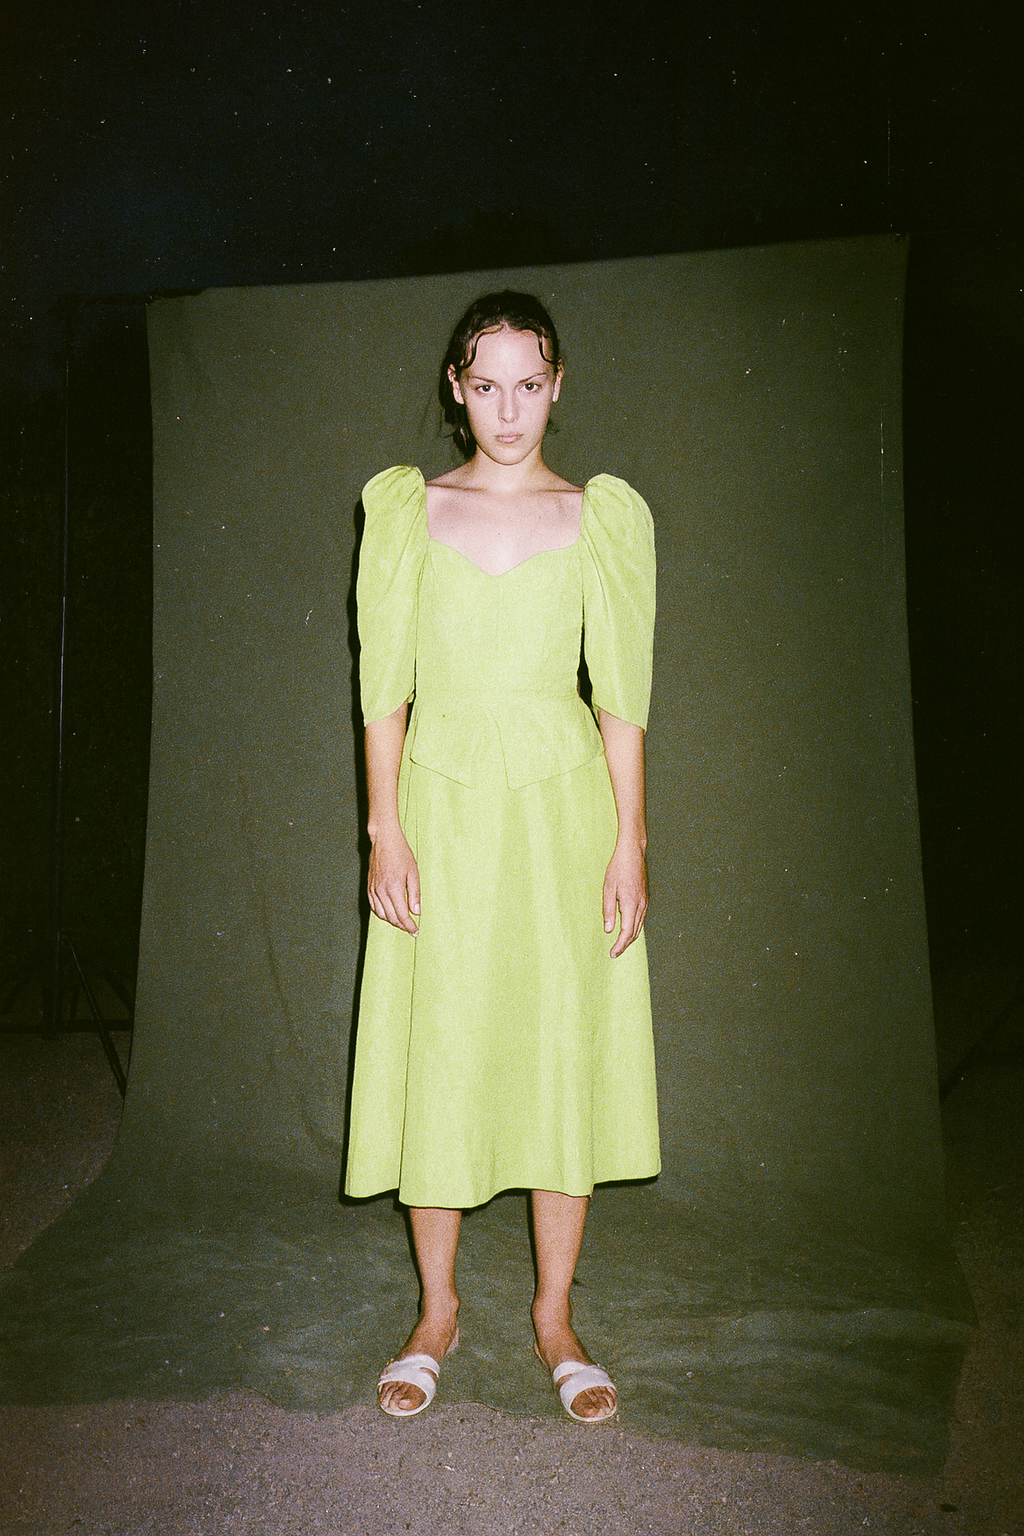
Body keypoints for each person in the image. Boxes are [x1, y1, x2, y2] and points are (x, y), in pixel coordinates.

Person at [345, 290, 659, 1422]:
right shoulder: (408, 511)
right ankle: (436, 1312)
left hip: (561, 816)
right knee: (441, 1046)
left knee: (556, 1048)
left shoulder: (599, 516)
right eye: (487, 386)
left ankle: (554, 1316)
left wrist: (629, 842)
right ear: (456, 388)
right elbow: (383, 689)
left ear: (558, 386)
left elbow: (621, 701)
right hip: (439, 808)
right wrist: (385, 828)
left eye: (530, 384)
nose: (509, 409)